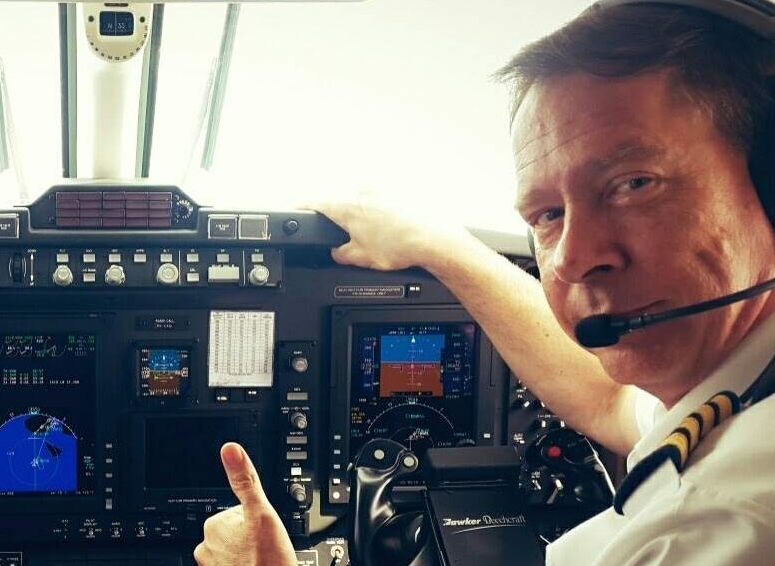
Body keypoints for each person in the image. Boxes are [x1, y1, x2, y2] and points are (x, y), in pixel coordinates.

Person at [194, 1, 775, 565]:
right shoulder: (736, 386)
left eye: (633, 184)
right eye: (548, 216)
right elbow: (609, 398)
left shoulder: (724, 523)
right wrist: (436, 243)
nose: (573, 259)